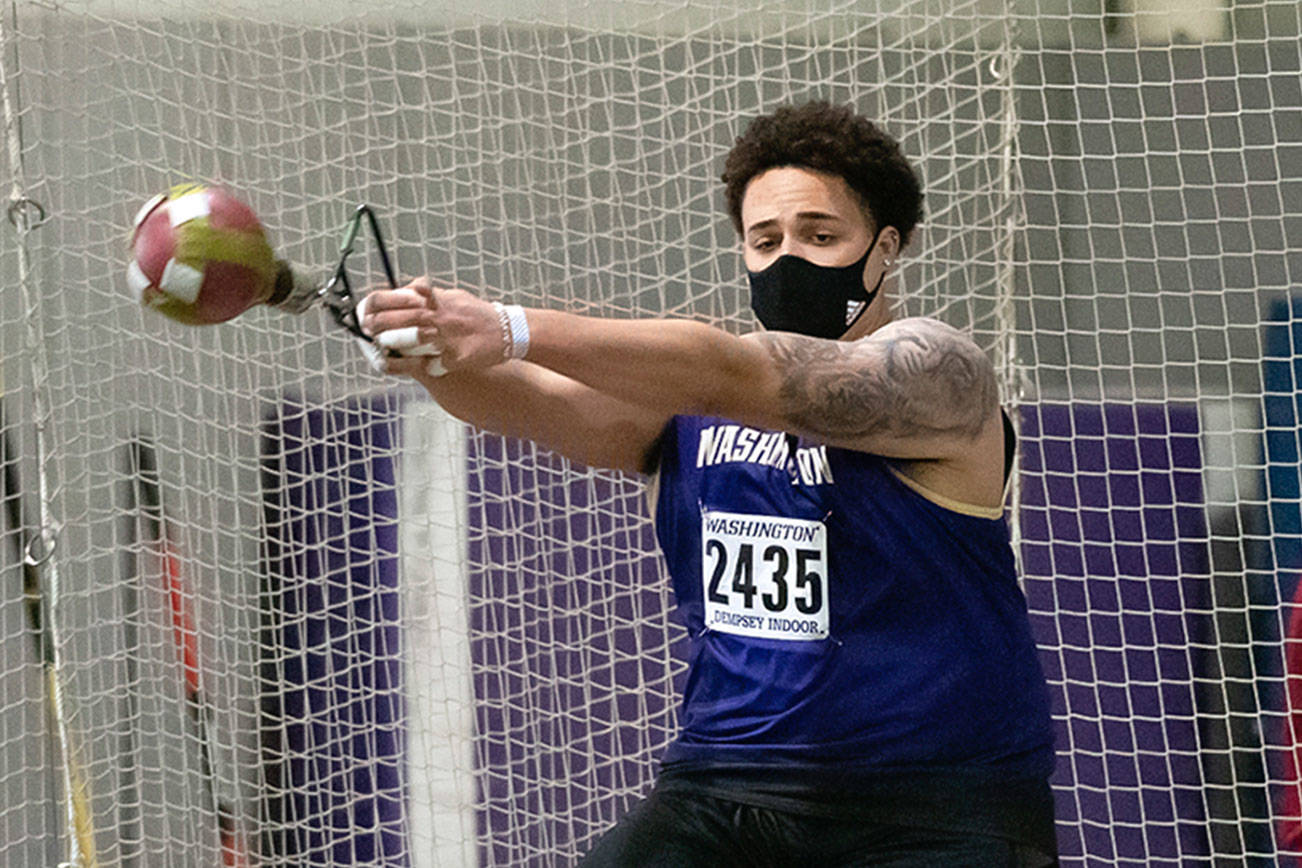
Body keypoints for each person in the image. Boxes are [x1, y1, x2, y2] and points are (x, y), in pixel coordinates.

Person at [363, 101, 1057, 866]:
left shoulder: (936, 374)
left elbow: (738, 371)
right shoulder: (684, 406)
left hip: (935, 807)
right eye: (766, 241)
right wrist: (429, 356)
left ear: (884, 246)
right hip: (723, 790)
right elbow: (537, 404)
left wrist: (506, 326)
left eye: (820, 236)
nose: (789, 258)